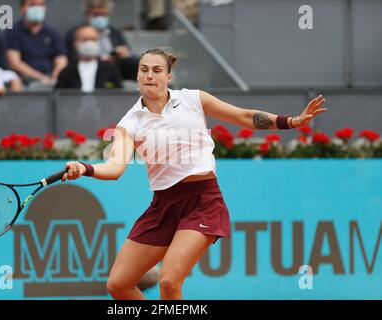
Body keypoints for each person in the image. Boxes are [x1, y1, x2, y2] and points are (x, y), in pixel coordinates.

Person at [61, 48, 328, 300]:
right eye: (144, 70)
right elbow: (115, 168)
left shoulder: (193, 99)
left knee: (169, 281)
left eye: (156, 70)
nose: (149, 75)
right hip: (163, 206)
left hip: (203, 202)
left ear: (169, 76)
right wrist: (86, 168)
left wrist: (290, 121)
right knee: (118, 285)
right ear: (137, 75)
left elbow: (245, 117)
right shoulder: (130, 123)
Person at [66, 0, 139, 81]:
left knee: (137, 63)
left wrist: (123, 53)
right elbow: (72, 58)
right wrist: (99, 60)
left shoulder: (115, 32)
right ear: (87, 14)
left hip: (115, 68)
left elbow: (128, 51)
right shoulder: (76, 32)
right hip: (90, 68)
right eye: (96, 15)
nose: (100, 18)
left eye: (103, 14)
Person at [5, 0, 67, 86]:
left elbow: (61, 60)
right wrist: (41, 78)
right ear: (22, 8)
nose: (37, 8)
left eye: (41, 5)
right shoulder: (13, 32)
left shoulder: (52, 33)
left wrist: (55, 77)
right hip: (25, 81)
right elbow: (14, 63)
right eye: (32, 5)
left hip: (50, 80)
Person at [56, 25, 122, 92]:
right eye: (85, 40)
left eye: (93, 39)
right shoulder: (67, 72)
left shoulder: (110, 70)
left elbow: (119, 96)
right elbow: (58, 97)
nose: (89, 43)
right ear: (75, 43)